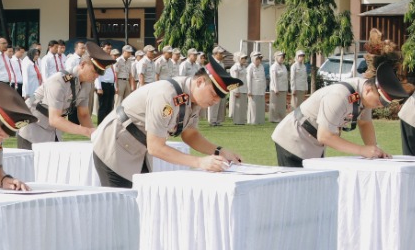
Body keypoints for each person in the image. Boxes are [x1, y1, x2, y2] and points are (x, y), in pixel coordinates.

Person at [90, 57, 243, 189]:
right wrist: (199, 162)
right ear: (200, 82)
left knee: (139, 202)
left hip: (137, 147)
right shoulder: (167, 95)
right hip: (114, 145)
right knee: (122, 204)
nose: (215, 101)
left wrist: (219, 151)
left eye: (219, 98)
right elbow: (156, 147)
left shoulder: (193, 99)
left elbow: (190, 134)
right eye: (213, 94)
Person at [272, 62, 406, 167]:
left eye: (385, 104)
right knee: (297, 188)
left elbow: (365, 123)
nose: (380, 106)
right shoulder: (340, 95)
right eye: (380, 101)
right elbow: (325, 136)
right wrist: (362, 150)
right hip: (294, 139)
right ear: (369, 90)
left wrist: (375, 151)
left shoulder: (364, 97)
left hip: (313, 144)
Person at [19, 41, 113, 148]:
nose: (96, 76)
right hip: (33, 126)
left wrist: (96, 136)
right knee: (31, 158)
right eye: (94, 71)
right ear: (82, 64)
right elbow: (54, 119)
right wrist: (87, 131)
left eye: (100, 73)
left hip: (53, 127)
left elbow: (83, 115)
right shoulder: (60, 81)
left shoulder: (87, 84)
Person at [245, 51, 268, 124]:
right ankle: (253, 121)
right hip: (253, 90)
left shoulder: (261, 66)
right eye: (257, 59)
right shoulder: (250, 67)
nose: (258, 61)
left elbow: (263, 78)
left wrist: (264, 88)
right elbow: (248, 79)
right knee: (253, 106)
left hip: (260, 90)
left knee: (260, 106)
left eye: (259, 59)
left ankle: (260, 121)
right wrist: (249, 90)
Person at [270, 50, 292, 118]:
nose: (282, 58)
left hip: (283, 88)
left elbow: (286, 78)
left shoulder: (284, 66)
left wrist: (287, 88)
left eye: (283, 57)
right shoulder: (274, 66)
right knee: (276, 104)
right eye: (281, 57)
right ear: (276, 57)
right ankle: (274, 118)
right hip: (276, 89)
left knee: (282, 105)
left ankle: (281, 117)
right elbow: (273, 78)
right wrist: (275, 88)